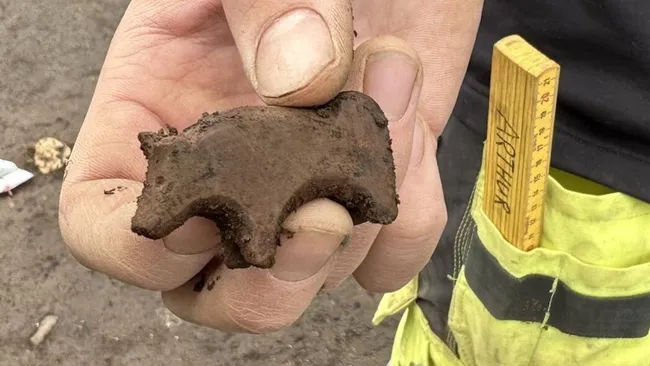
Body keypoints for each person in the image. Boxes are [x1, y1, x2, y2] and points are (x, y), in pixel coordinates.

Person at [59, 0, 650, 365]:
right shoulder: (210, 151)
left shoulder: (224, 156)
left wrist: (256, 240)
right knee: (450, 285)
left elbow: (262, 216)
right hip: (486, 89)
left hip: (595, 154)